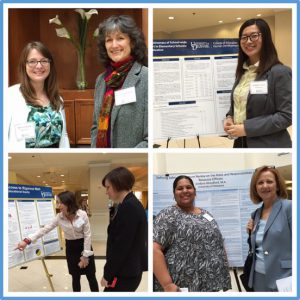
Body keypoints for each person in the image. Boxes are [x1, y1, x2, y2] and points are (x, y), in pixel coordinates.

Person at [153, 175, 231, 292]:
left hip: (211, 285)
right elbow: (154, 250)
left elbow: (218, 242)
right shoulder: (167, 215)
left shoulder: (206, 214)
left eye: (188, 187)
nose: (185, 190)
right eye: (180, 188)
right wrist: (167, 284)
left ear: (195, 192)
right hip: (182, 287)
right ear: (174, 194)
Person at [224, 18, 292, 148]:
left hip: (268, 145)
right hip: (240, 143)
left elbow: (286, 116)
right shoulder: (242, 72)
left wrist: (247, 128)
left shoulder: (280, 72)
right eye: (244, 37)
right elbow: (240, 104)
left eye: (254, 36)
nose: (248, 41)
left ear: (265, 38)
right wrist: (229, 117)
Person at [16, 191, 99, 292]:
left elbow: (87, 235)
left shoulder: (82, 214)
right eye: (57, 202)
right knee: (75, 277)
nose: (58, 205)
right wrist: (27, 240)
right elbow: (45, 229)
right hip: (71, 248)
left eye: (60, 203)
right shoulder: (59, 217)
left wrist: (85, 256)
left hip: (85, 246)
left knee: (91, 276)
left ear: (68, 202)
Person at [90, 15, 148, 148]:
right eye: (109, 40)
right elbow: (95, 126)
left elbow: (150, 138)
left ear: (132, 42)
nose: (114, 45)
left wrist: (122, 159)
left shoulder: (146, 77)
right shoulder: (101, 80)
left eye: (120, 38)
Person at [8, 41, 70, 149]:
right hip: (22, 163)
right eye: (32, 61)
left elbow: (64, 136)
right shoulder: (10, 96)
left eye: (44, 61)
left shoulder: (57, 99)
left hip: (54, 164)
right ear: (24, 65)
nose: (39, 66)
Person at [100, 167, 147, 291]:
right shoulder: (129, 204)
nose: (106, 192)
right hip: (129, 270)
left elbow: (121, 247)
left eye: (108, 187)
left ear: (118, 185)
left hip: (125, 273)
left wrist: (107, 275)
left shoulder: (129, 207)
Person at [246, 166, 292, 291]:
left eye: (269, 181)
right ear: (255, 188)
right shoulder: (255, 214)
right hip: (258, 276)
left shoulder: (290, 208)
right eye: (260, 182)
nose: (265, 186)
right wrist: (250, 234)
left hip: (285, 277)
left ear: (277, 186)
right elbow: (258, 246)